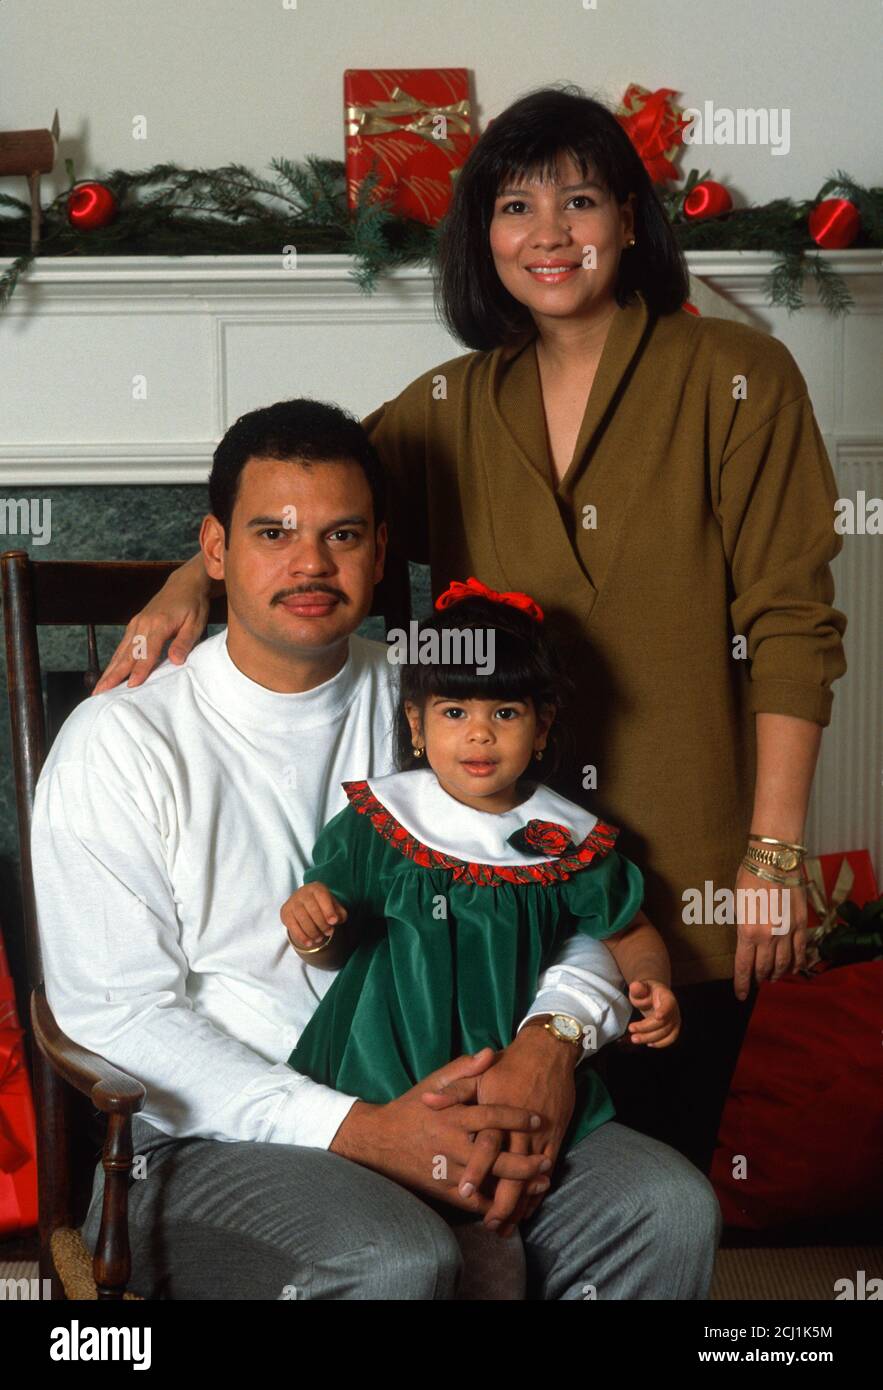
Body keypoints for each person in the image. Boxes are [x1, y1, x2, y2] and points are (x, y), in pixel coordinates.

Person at [90, 84, 847, 1173]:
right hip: (493, 896)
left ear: (630, 220)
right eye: (513, 207)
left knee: (653, 1189)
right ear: (479, 236)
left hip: (684, 874)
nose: (548, 235)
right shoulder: (449, 405)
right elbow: (306, 507)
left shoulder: (735, 377)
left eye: (579, 200)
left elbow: (789, 619)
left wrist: (773, 852)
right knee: (502, 1195)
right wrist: (186, 582)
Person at [31, 397, 721, 1299]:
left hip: (468, 1085)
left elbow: (562, 884)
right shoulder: (121, 740)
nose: (310, 563)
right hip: (216, 1137)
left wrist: (552, 1040)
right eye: (272, 532)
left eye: (342, 535)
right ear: (212, 551)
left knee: (666, 1207)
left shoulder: (439, 703)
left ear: (380, 551)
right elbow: (116, 1017)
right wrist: (362, 1129)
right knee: (394, 1258)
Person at [284, 579, 681, 1207]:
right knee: (381, 1197)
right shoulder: (382, 818)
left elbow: (627, 932)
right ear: (416, 722)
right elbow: (334, 949)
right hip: (379, 1065)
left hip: (501, 1063)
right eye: (454, 712)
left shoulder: (564, 838)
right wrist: (312, 927)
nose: (479, 736)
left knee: (502, 1186)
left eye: (504, 713)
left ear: (542, 725)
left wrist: (652, 987)